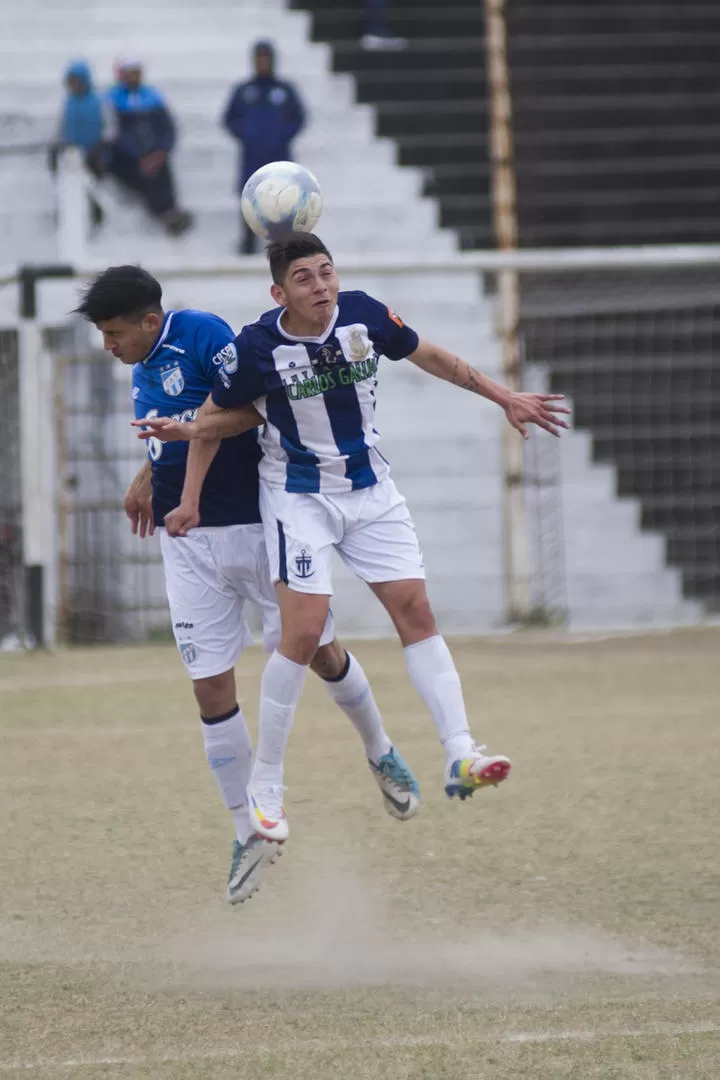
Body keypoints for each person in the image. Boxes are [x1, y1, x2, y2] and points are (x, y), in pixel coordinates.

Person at [135, 234, 570, 845]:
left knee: (416, 611)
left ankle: (460, 753)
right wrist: (186, 444)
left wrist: (504, 396)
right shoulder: (257, 346)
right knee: (304, 635)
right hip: (299, 498)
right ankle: (266, 788)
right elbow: (229, 416)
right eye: (306, 279)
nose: (322, 287)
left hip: (371, 491)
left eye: (327, 273)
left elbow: (429, 356)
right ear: (278, 292)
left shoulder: (364, 314)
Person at [75, 264, 419, 904]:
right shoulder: (143, 365)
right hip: (187, 544)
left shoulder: (203, 335)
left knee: (319, 652)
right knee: (209, 688)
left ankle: (380, 749)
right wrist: (145, 481)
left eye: (114, 332)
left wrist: (194, 491)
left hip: (257, 526)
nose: (109, 345)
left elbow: (241, 408)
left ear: (150, 321)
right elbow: (171, 430)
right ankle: (249, 833)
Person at [222, 41, 305, 255]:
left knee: (281, 199)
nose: (263, 63)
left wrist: (282, 135)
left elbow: (299, 118)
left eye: (266, 58)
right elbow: (229, 119)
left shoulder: (284, 90)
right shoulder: (244, 91)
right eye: (259, 58)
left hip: (278, 154)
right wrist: (246, 135)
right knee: (250, 197)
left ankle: (284, 245)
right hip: (252, 155)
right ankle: (248, 243)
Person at [105, 58, 193, 237]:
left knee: (162, 170)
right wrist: (139, 156)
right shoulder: (112, 100)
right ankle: (163, 213)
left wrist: (159, 152)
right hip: (126, 159)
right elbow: (114, 135)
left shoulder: (152, 98)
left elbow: (168, 130)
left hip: (153, 155)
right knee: (141, 175)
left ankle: (170, 211)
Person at [50, 59, 106, 228]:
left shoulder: (97, 102)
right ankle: (64, 213)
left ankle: (95, 212)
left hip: (93, 153)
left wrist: (98, 146)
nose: (74, 85)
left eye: (77, 81)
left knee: (89, 183)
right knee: (67, 185)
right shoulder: (69, 103)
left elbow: (106, 127)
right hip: (70, 154)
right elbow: (62, 129)